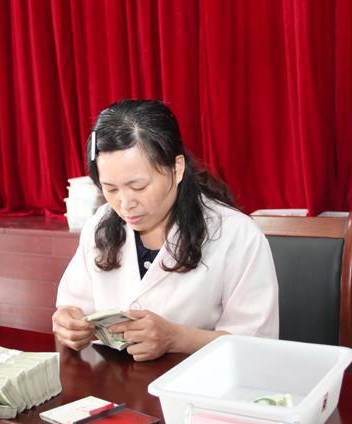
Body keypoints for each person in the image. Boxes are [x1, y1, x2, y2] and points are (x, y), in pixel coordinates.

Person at [52, 99, 278, 361]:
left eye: (138, 187)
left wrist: (175, 338)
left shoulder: (236, 234)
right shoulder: (100, 224)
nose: (125, 204)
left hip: (202, 380)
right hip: (117, 379)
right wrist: (68, 323)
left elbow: (257, 343)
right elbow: (74, 306)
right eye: (110, 189)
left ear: (177, 168)